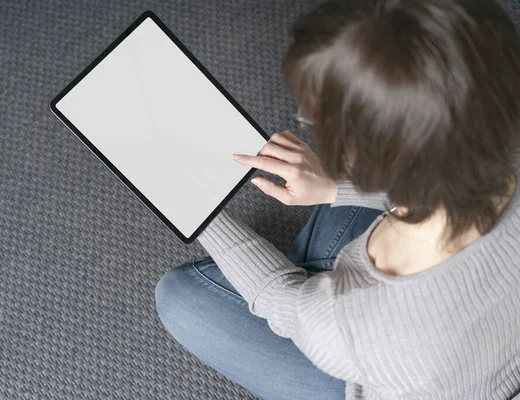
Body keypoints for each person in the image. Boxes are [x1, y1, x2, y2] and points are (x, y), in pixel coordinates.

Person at [155, 0, 520, 398]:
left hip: (377, 364)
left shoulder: (347, 325)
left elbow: (280, 300)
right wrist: (333, 186)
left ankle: (315, 275)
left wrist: (191, 199)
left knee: (179, 298)